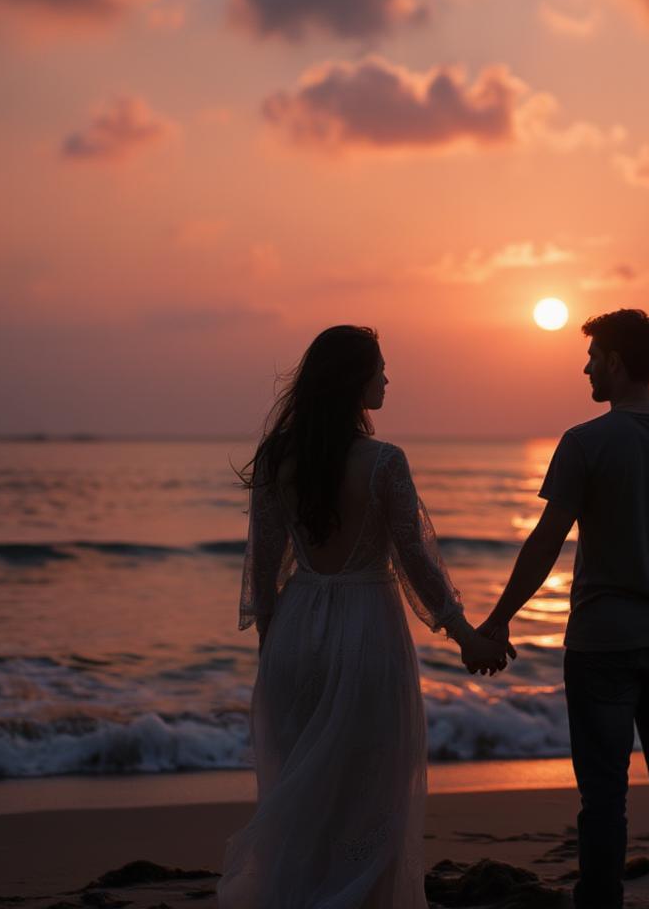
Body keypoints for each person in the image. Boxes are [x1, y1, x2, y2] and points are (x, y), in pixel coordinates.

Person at [217, 325, 512, 908]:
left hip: (298, 627)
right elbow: (416, 563)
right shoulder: (382, 462)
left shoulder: (278, 459)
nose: (386, 378)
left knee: (308, 789)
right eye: (379, 368)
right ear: (355, 380)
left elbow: (265, 570)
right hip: (367, 628)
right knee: (372, 787)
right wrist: (465, 636)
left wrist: (272, 651)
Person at [479, 308, 649, 909]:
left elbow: (545, 541)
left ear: (614, 362)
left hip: (602, 646)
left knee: (604, 795)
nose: (585, 367)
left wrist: (500, 617)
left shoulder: (584, 442)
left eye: (591, 357)